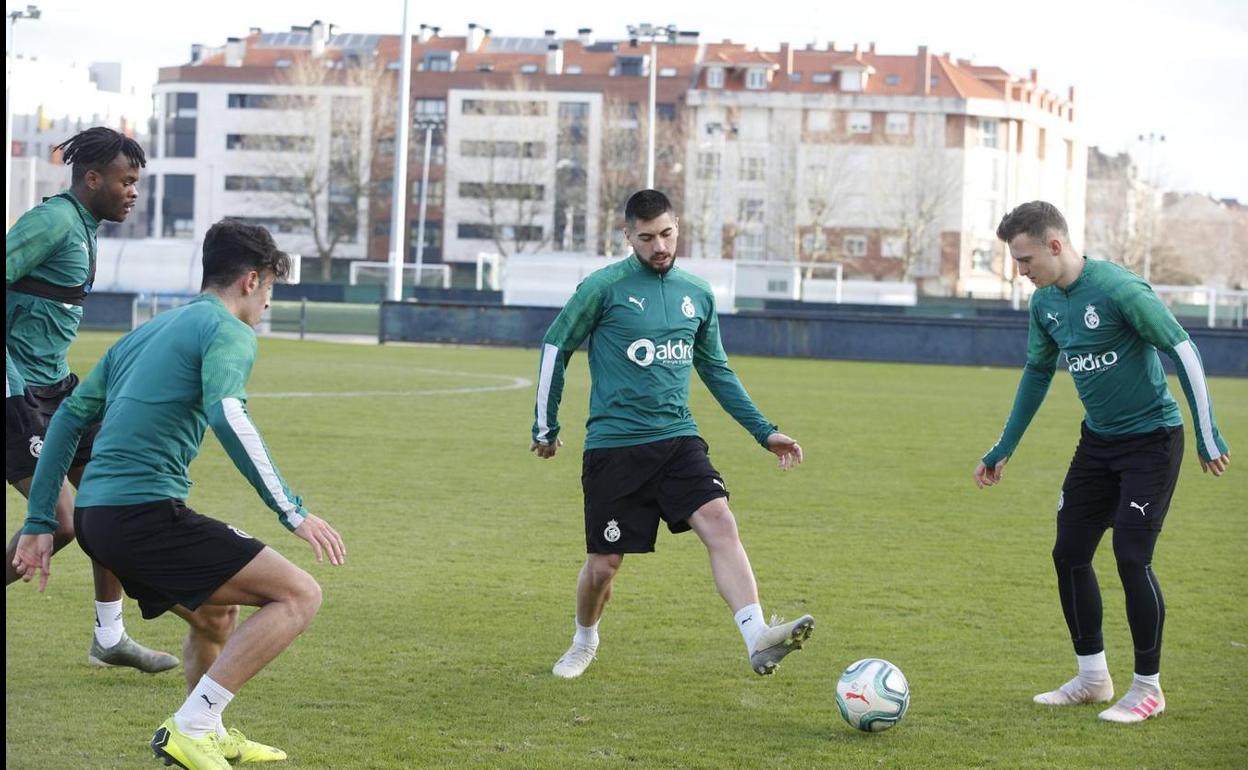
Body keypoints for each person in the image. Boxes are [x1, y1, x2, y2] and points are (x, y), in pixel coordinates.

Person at [13, 219, 347, 769]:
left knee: (217, 618)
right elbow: (229, 414)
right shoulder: (229, 331)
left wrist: (41, 518)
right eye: (270, 290)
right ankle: (190, 727)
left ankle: (207, 730)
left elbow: (70, 416)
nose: (267, 304)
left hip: (100, 516)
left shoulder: (147, 330)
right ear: (250, 280)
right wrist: (294, 511)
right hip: (141, 514)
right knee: (299, 595)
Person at [530, 189, 813, 680]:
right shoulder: (603, 287)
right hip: (615, 447)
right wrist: (546, 427)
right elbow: (556, 346)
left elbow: (717, 370)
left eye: (665, 233)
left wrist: (764, 432)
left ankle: (757, 638)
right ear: (627, 236)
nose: (659, 246)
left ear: (676, 227)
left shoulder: (696, 294)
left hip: (679, 440)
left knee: (721, 523)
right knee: (604, 566)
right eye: (646, 238)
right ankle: (584, 639)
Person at [975, 201, 1230, 724]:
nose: (1021, 273)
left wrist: (1208, 434)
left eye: (1025, 260)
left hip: (1153, 442)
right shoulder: (1044, 304)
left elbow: (1182, 350)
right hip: (1098, 443)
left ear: (1054, 245)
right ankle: (1092, 678)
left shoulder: (1118, 289)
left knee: (1131, 556)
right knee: (1068, 553)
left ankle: (1148, 688)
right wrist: (1004, 447)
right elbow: (1037, 374)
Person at [5, 126, 178, 673]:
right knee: (60, 523)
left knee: (109, 499)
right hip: (17, 389)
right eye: (126, 182)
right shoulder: (53, 220)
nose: (133, 192)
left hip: (57, 388)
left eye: (137, 183)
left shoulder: (84, 228)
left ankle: (110, 636)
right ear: (93, 177)